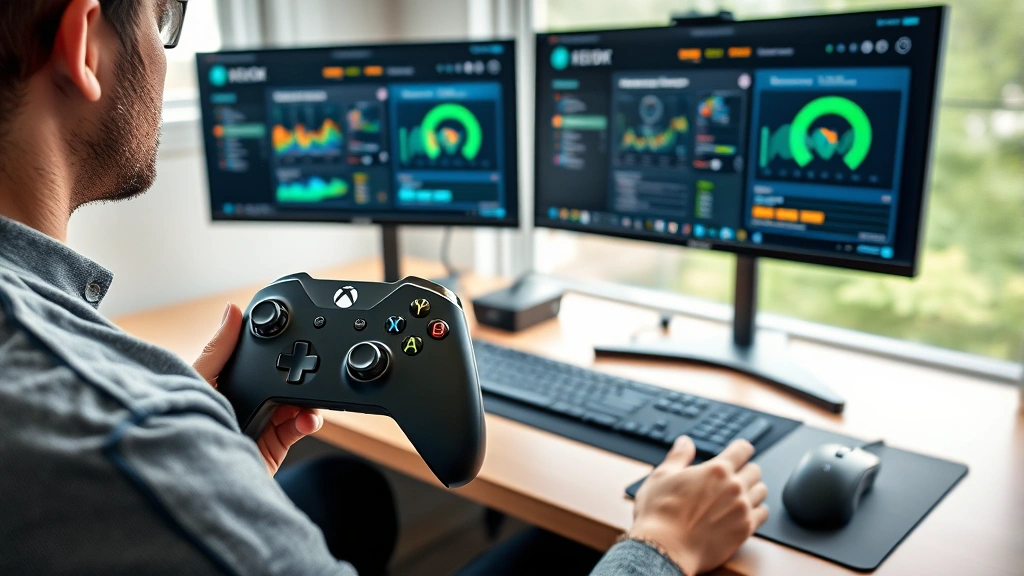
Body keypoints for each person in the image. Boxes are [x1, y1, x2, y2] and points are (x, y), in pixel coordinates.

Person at [0, 1, 769, 574]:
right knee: (561, 549)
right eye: (164, 19)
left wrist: (215, 454)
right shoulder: (128, 435)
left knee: (342, 488)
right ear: (85, 42)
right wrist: (660, 546)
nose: (166, 55)